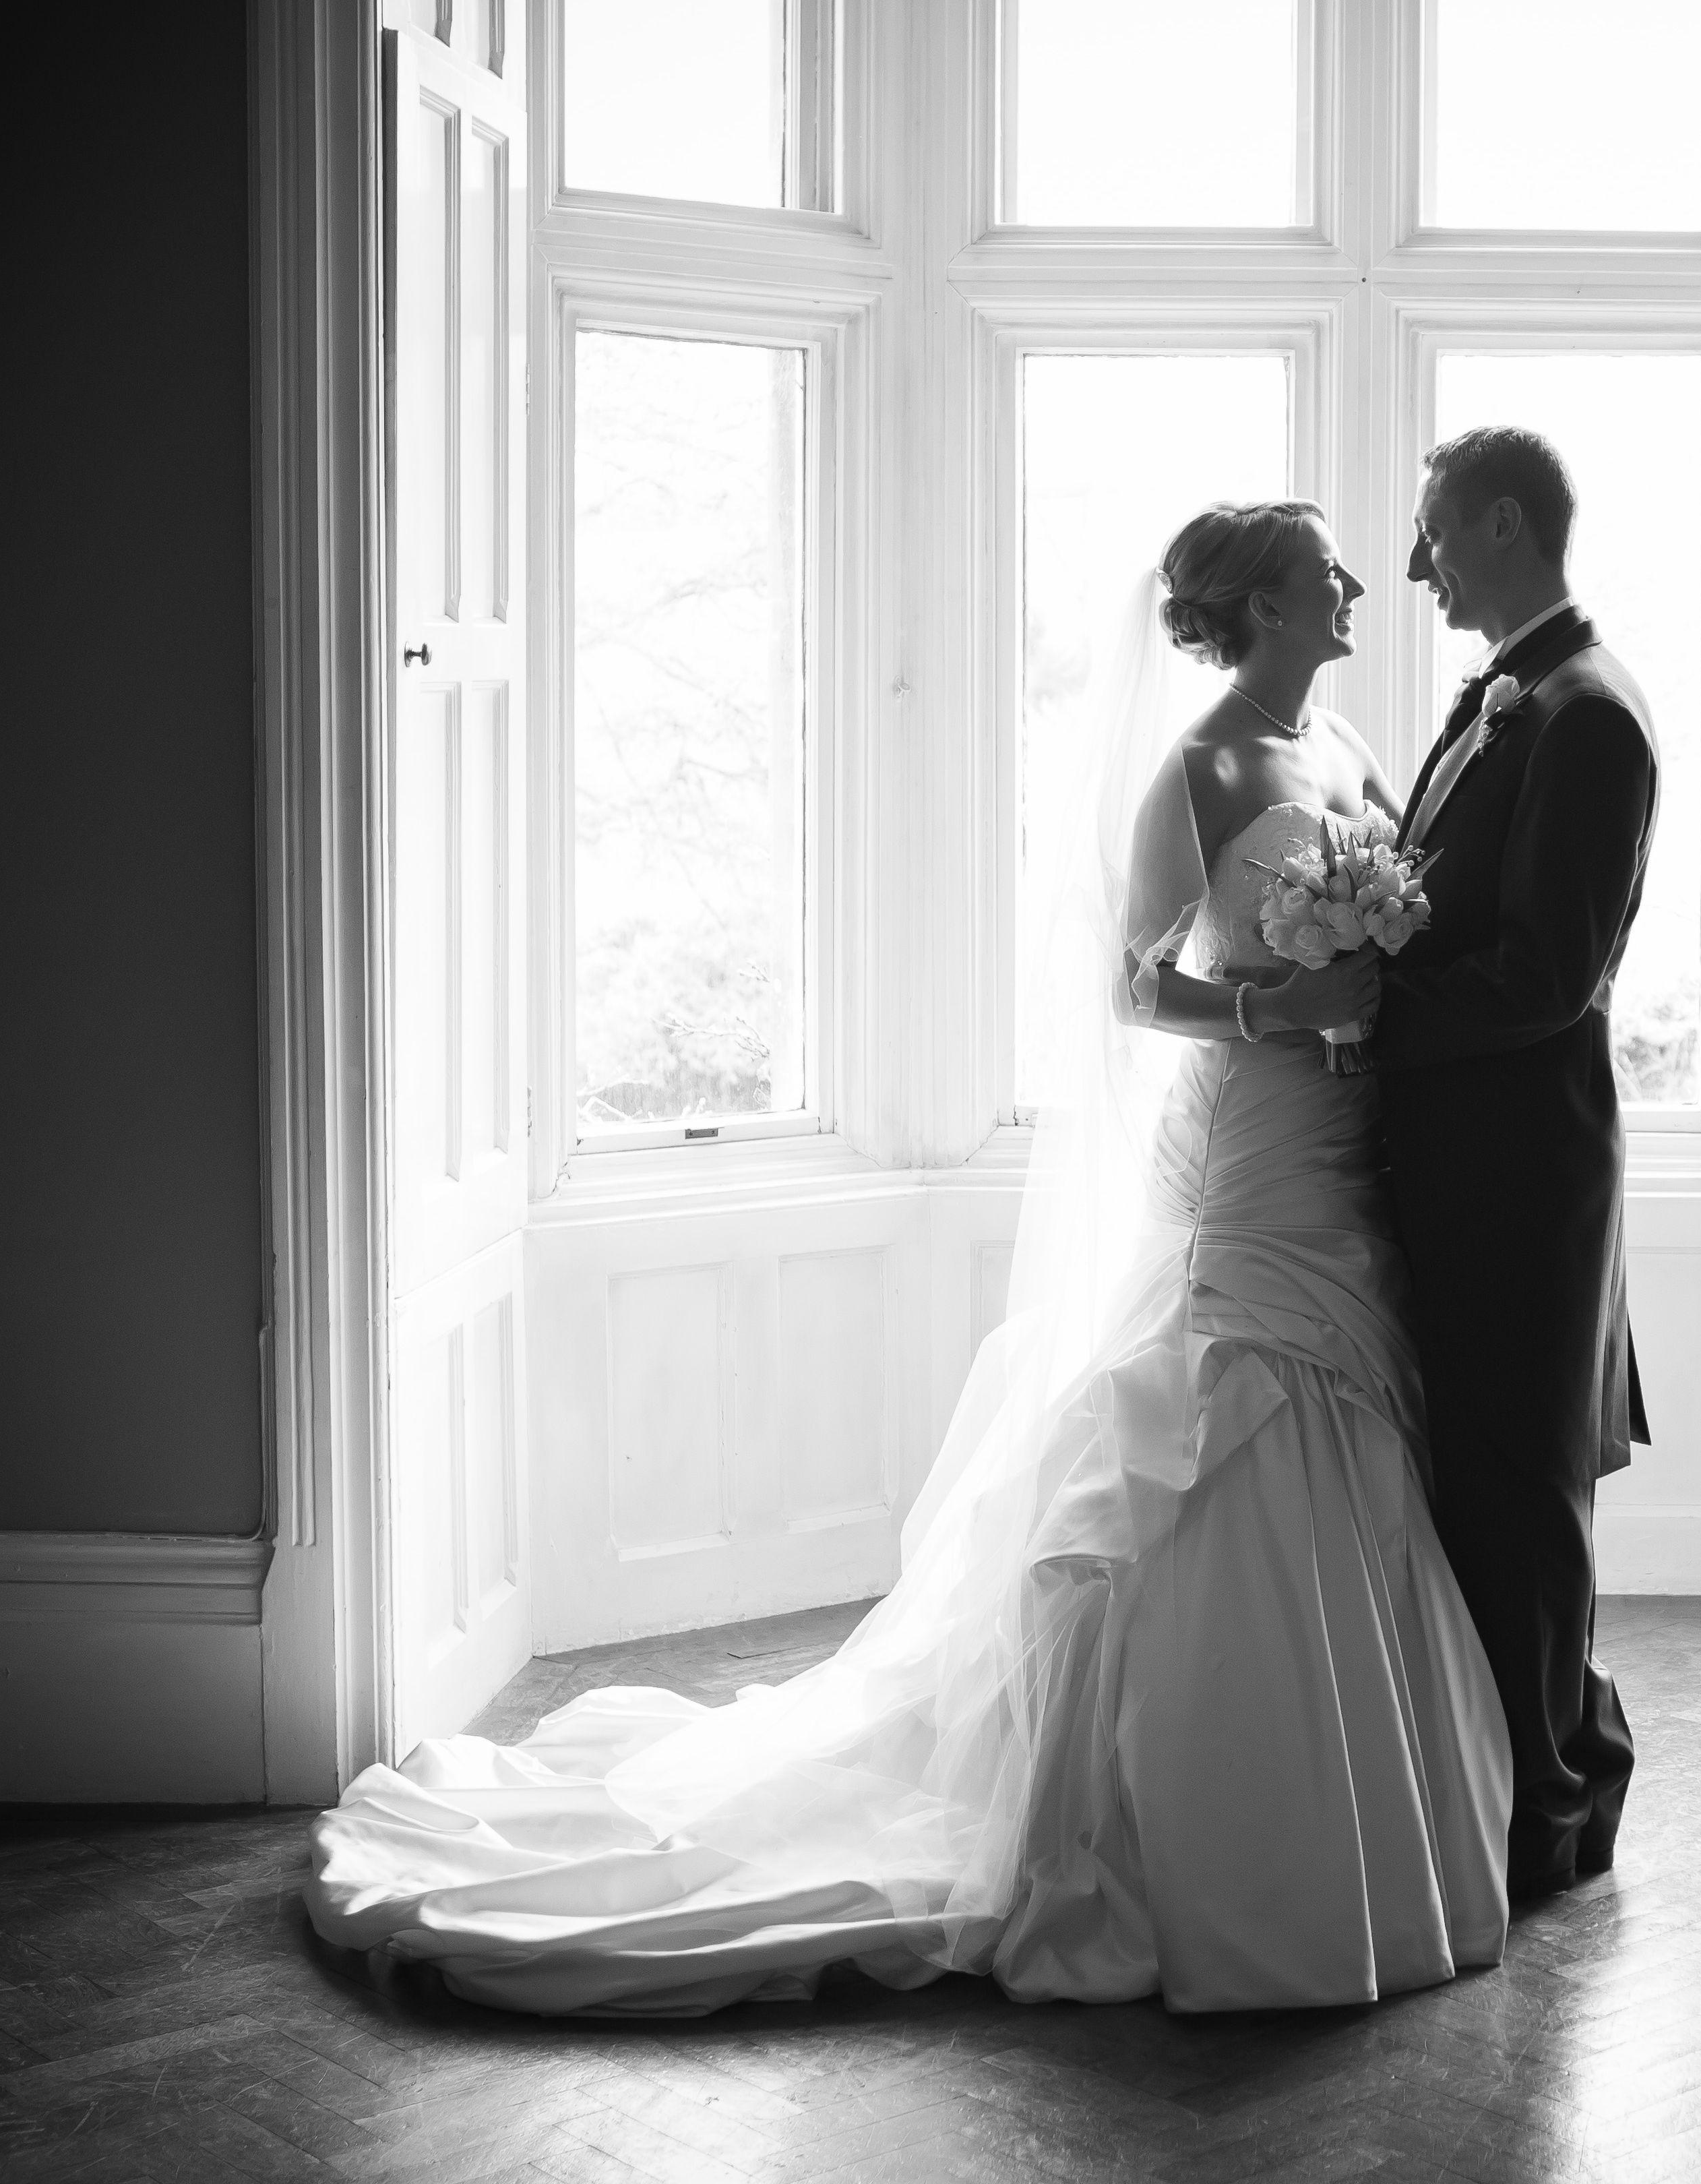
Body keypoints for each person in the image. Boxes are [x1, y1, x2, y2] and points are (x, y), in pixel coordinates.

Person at [306, 501, 1513, 2015]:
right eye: (1324, 570)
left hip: (1341, 1152)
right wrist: (1282, 1007)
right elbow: (1135, 991)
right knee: (1226, 1420)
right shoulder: (1200, 772)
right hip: (1250, 1154)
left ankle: (1350, 1811)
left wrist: (1374, 962)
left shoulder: (1345, 744)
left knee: (1338, 1419)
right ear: (1265, 607)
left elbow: (1410, 917)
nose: (1355, 585)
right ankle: (1177, 1827)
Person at [1376, 425, 1654, 1902]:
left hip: (1521, 1187)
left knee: (1526, 1507)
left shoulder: (1584, 714)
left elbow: (1548, 977)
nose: (1417, 563)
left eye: (1432, 532)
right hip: (1465, 1174)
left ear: (1500, 523)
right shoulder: (1511, 695)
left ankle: (1549, 1818)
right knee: (1490, 1497)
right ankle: (1542, 1771)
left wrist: (1364, 1012)